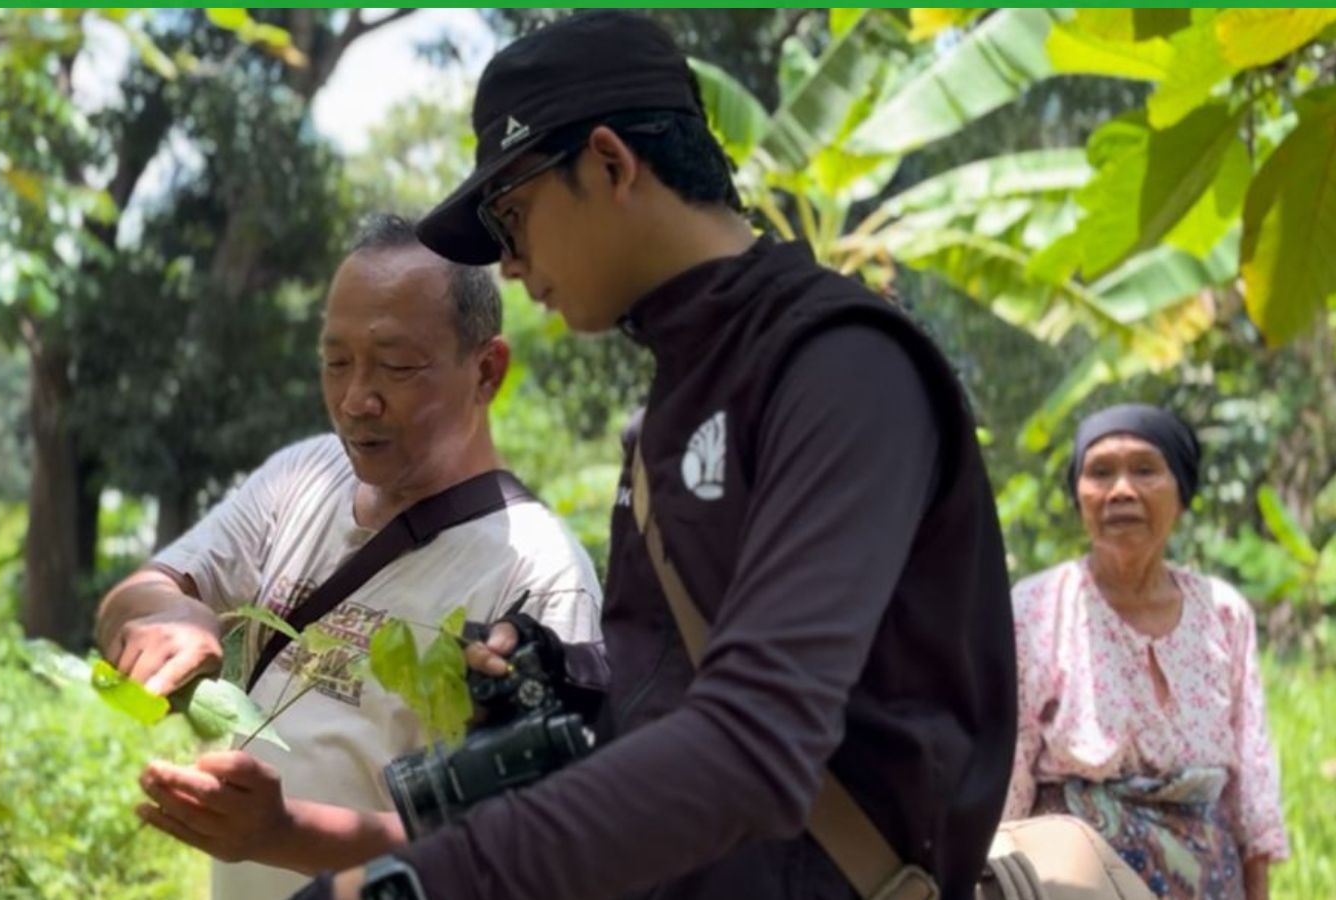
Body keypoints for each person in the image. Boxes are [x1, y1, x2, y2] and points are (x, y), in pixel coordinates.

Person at [289, 11, 1017, 900]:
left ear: (608, 163)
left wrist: (423, 881)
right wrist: (571, 680)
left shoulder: (842, 365)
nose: (510, 266)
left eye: (511, 218)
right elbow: (691, 672)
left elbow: (757, 739)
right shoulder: (675, 404)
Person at [95, 215, 603, 899]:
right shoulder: (303, 476)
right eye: (336, 363)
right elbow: (141, 591)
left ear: (487, 370)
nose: (356, 399)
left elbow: (535, 847)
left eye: (396, 366)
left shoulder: (538, 573)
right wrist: (168, 615)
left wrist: (286, 833)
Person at [1005, 404, 1287, 900]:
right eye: (1100, 473)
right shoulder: (1037, 607)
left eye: (1144, 470)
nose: (1120, 491)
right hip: (1073, 884)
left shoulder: (1223, 613)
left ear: (1181, 493)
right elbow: (1008, 769)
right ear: (1078, 495)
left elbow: (1252, 782)